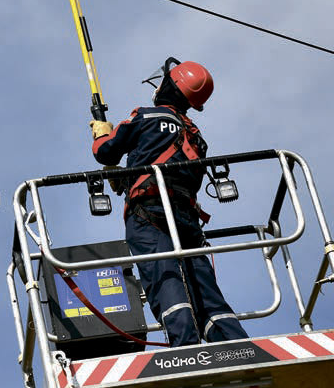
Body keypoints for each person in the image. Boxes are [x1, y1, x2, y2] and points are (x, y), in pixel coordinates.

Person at [90, 57, 247, 347]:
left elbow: (105, 152)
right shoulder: (195, 137)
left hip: (148, 215)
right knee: (203, 287)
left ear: (169, 85)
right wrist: (124, 179)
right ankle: (233, 343)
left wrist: (102, 133)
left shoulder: (146, 116)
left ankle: (185, 347)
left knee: (165, 277)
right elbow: (174, 175)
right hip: (186, 219)